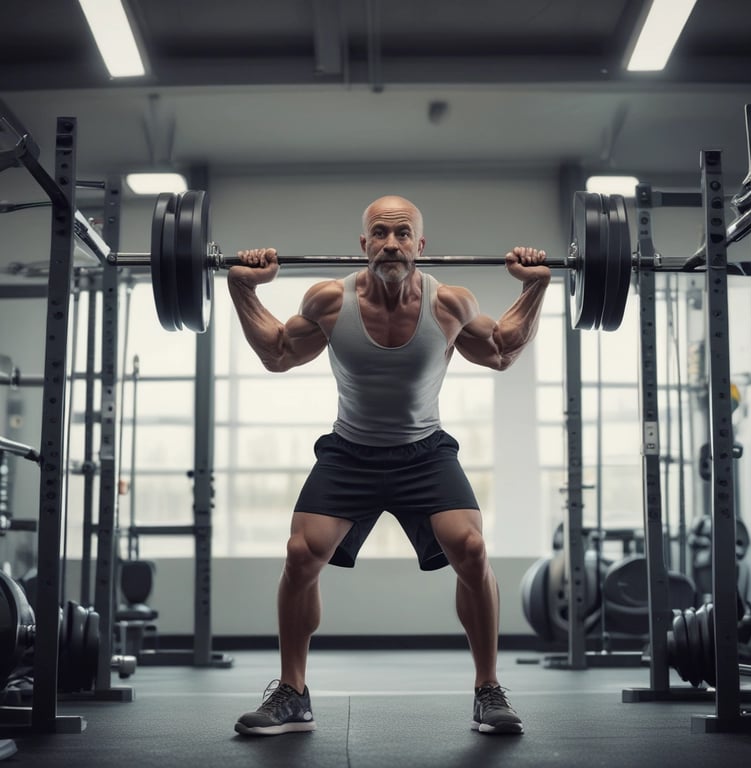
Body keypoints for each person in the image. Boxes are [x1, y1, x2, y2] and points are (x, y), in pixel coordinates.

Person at [227, 195, 550, 737]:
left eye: (403, 234)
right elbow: (278, 352)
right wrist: (241, 288)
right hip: (349, 449)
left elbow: (500, 350)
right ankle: (292, 692)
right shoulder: (330, 301)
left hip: (423, 451)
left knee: (471, 549)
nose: (392, 244)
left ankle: (488, 690)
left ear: (420, 246)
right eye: (381, 233)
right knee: (300, 554)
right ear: (364, 244)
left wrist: (536, 285)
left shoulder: (449, 304)